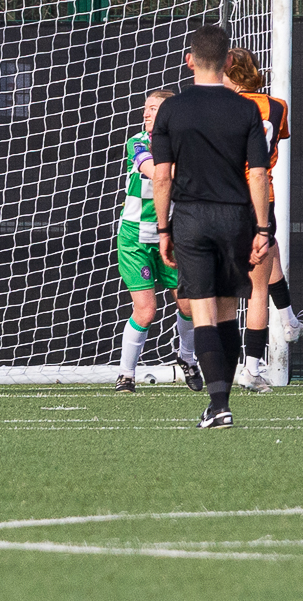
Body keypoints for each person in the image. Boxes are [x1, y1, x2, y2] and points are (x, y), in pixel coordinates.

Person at [150, 25, 273, 429]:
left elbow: (162, 177)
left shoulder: (171, 110)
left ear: (189, 60)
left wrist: (164, 230)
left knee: (202, 312)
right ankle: (221, 403)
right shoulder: (246, 109)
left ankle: (218, 405)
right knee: (226, 313)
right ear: (228, 61)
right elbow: (258, 175)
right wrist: (262, 229)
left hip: (190, 218)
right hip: (234, 217)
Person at [224, 48, 303, 373]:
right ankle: (287, 320)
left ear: (232, 73)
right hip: (263, 199)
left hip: (227, 196)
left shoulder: (225, 106)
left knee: (246, 289)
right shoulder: (278, 106)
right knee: (267, 249)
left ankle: (248, 364)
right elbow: (278, 137)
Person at [114, 90, 201, 394]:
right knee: (146, 310)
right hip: (135, 238)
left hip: (173, 237)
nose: (146, 113)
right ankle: (126, 375)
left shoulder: (187, 144)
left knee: (189, 305)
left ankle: (187, 359)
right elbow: (156, 173)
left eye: (153, 108)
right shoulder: (138, 142)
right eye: (146, 108)